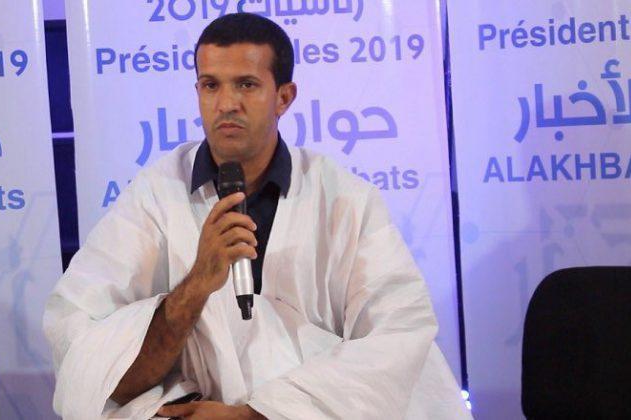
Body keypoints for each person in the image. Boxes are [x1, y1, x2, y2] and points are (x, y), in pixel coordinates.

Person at [43, 12, 471, 420]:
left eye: (246, 85)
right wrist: (198, 284)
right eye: (211, 85)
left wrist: (258, 413)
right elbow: (87, 353)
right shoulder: (155, 195)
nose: (226, 103)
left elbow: (399, 334)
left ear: (284, 97)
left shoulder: (346, 200)